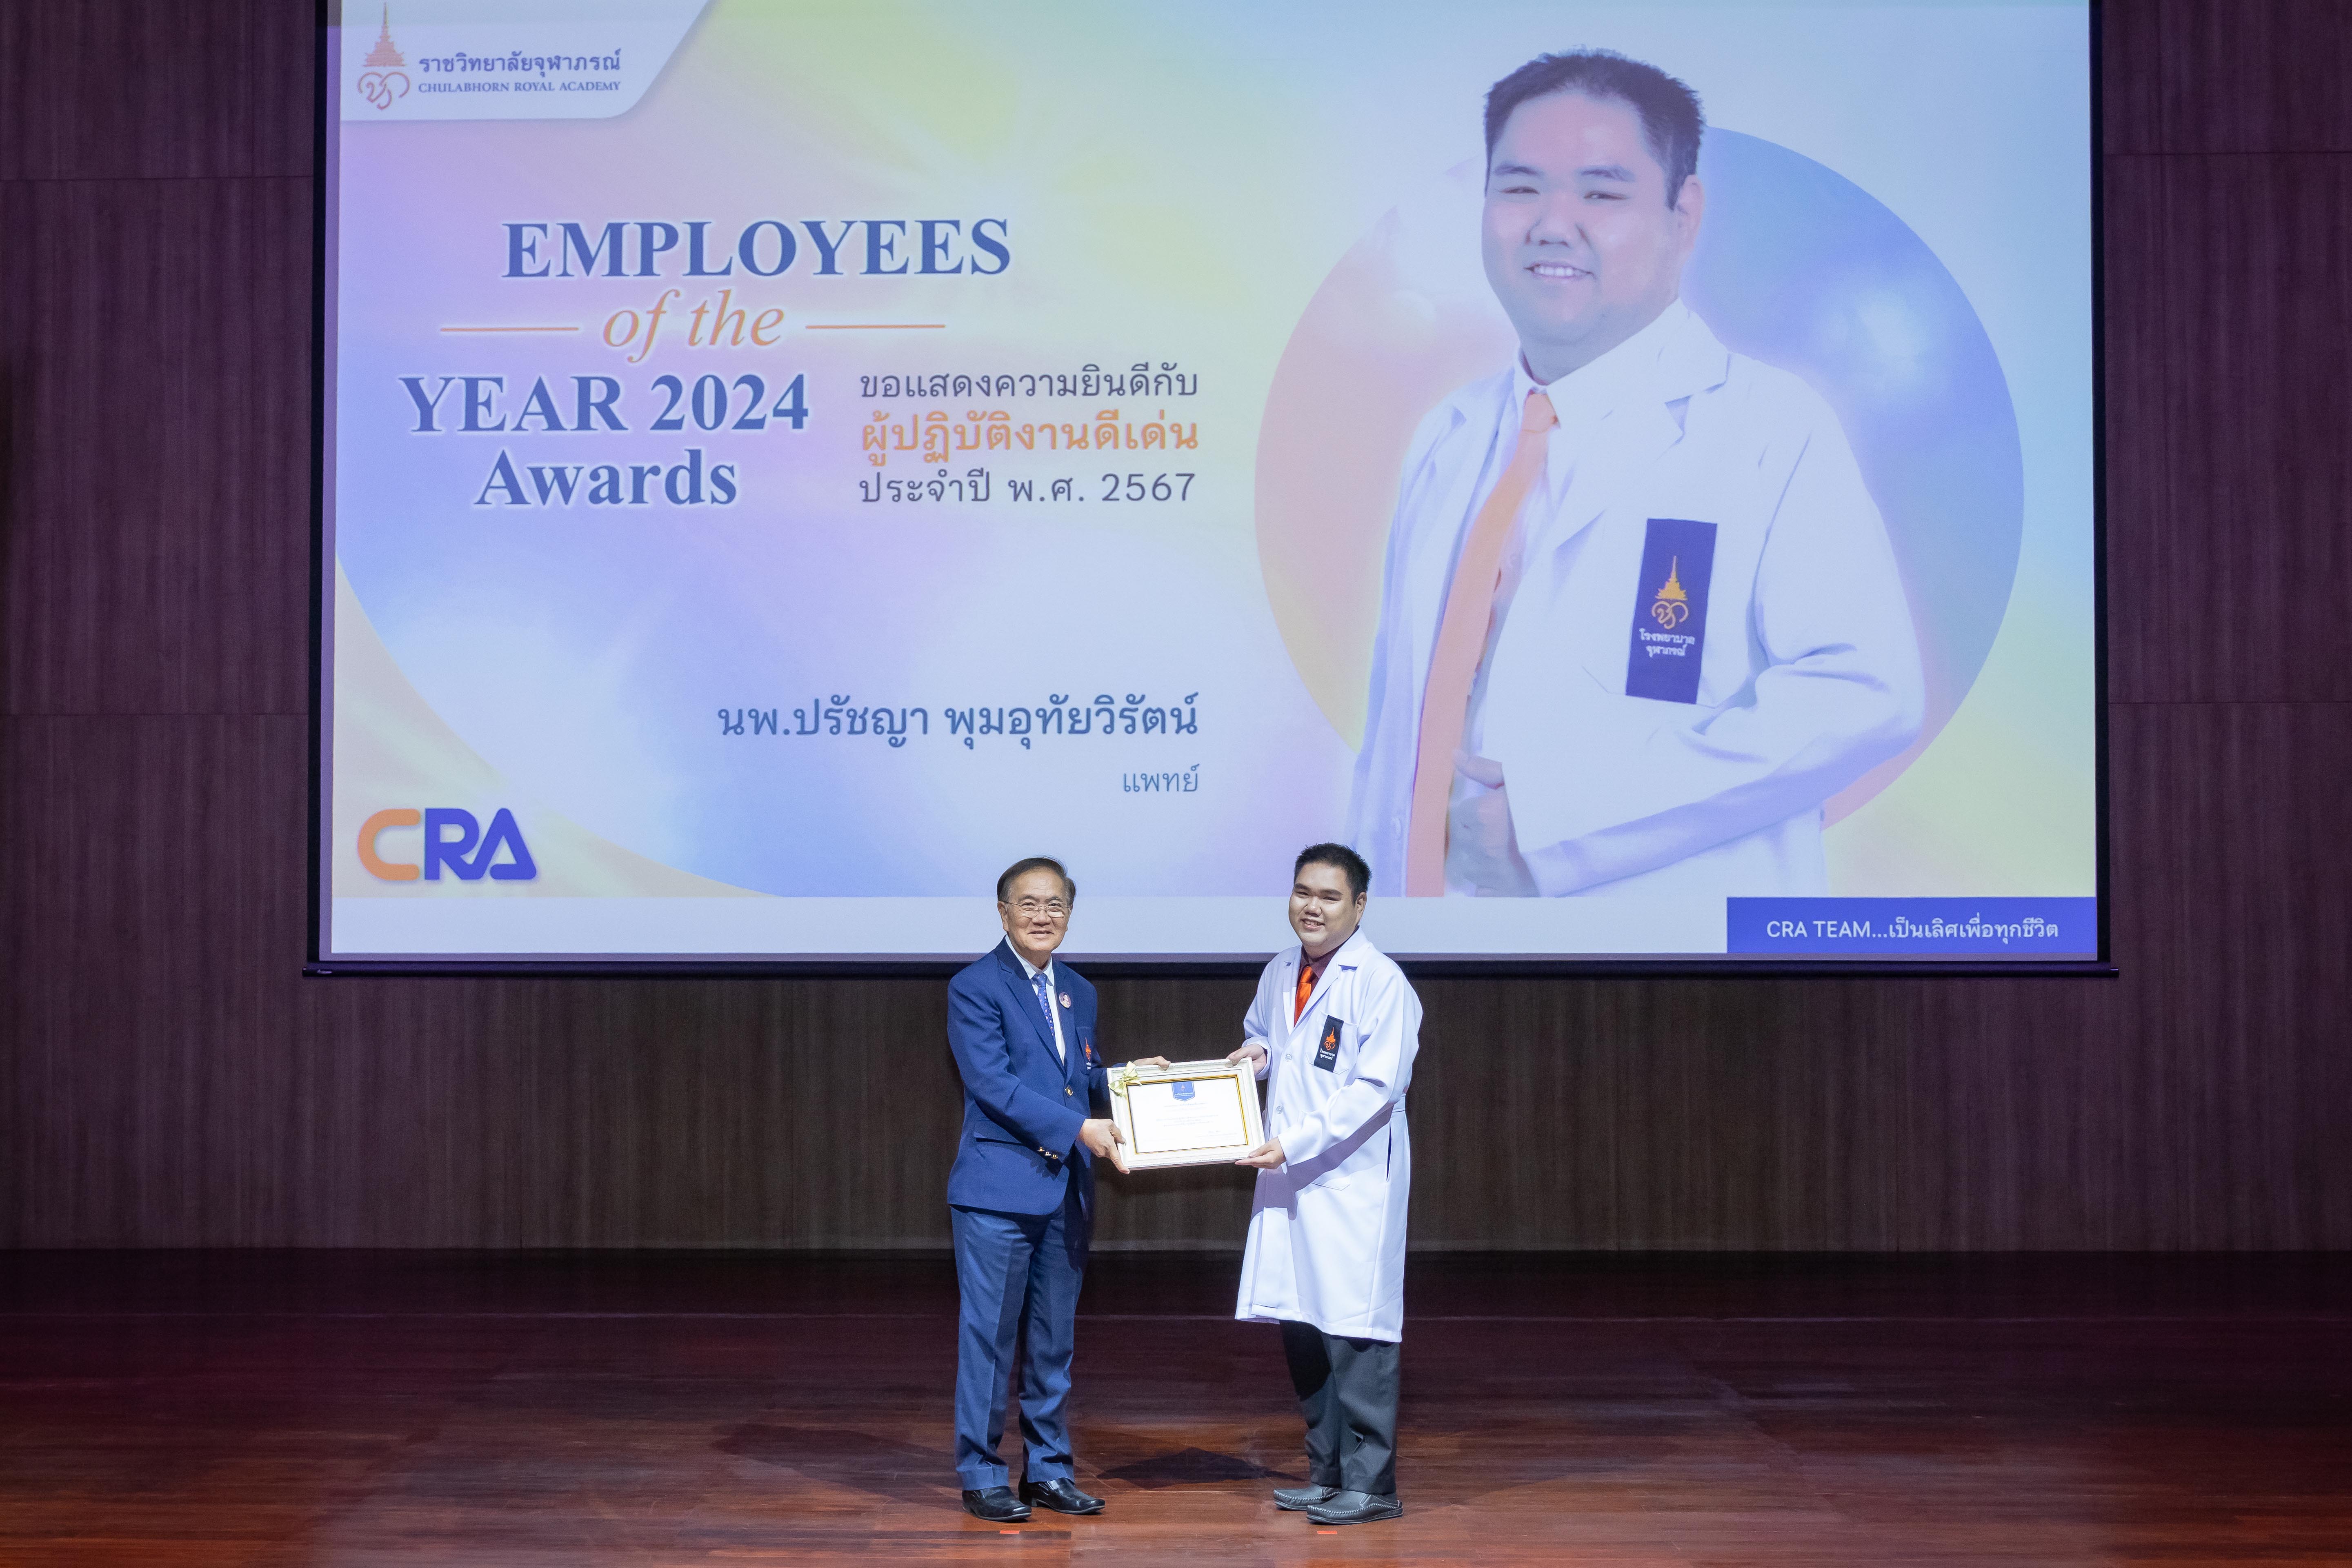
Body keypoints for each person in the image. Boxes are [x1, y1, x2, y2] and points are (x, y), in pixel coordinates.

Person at [1346, 49, 1925, 900]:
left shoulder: (1768, 429)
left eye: (1600, 194)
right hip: (1424, 948)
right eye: (1519, 188)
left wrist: (1558, 821)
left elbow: (1865, 691)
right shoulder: (1451, 433)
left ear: (1682, 215)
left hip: (1658, 958)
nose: (1552, 224)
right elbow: (1397, 736)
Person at [945, 856, 1165, 1522]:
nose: (1043, 916)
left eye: (1056, 905)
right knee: (989, 1340)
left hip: (1064, 1190)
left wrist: (1127, 1079)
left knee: (1052, 1341)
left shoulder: (1077, 989)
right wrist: (1078, 1128)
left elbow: (1076, 1078)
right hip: (997, 1192)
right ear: (1002, 912)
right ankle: (982, 1473)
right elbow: (994, 1084)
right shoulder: (974, 986)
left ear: (1069, 913)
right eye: (1029, 904)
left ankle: (1047, 1470)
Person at [1227, 843, 1423, 1527]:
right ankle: (1328, 1473)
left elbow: (1375, 1088)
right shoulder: (1282, 969)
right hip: (1290, 1173)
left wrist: (1295, 1142)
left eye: (1329, 896)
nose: (1311, 907)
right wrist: (1252, 1057)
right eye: (1302, 891)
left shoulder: (1382, 982)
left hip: (1351, 1179)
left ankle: (1372, 1485)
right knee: (1302, 1319)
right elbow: (1266, 1037)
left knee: (1354, 1327)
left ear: (1359, 905)